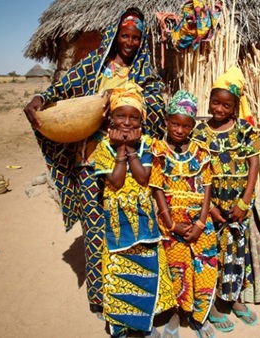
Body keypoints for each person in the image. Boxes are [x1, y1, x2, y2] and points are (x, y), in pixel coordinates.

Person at [22, 7, 167, 318]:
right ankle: (99, 296)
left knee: (127, 224)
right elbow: (61, 89)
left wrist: (128, 96)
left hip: (128, 163)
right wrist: (40, 99)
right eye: (125, 36)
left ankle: (126, 292)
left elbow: (157, 106)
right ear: (115, 36)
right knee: (94, 225)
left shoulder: (144, 71)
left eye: (136, 38)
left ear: (141, 41)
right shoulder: (94, 66)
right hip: (90, 159)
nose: (129, 42)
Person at [93, 83, 175, 338]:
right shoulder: (103, 147)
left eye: (133, 117)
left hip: (144, 222)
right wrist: (120, 150)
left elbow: (142, 178)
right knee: (120, 274)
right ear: (111, 118)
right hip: (118, 225)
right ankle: (123, 323)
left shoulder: (147, 143)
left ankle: (145, 321)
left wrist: (130, 152)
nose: (127, 122)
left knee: (148, 269)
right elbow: (116, 181)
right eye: (121, 116)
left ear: (141, 120)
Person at [192, 66, 260, 332]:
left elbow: (254, 166)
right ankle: (209, 305)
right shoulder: (199, 133)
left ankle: (232, 300)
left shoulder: (245, 130)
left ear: (234, 107)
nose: (219, 108)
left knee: (235, 254)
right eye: (215, 102)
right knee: (210, 254)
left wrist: (244, 203)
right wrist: (208, 207)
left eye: (226, 104)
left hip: (238, 207)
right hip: (209, 206)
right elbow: (196, 170)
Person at [149, 90, 218, 338]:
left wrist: (201, 222)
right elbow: (157, 187)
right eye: (175, 123)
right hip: (171, 221)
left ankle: (199, 317)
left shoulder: (201, 152)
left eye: (185, 125)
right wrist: (170, 223)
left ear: (192, 126)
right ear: (167, 121)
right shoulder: (159, 150)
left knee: (204, 267)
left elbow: (207, 186)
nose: (179, 130)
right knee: (176, 269)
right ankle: (177, 314)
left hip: (200, 220)